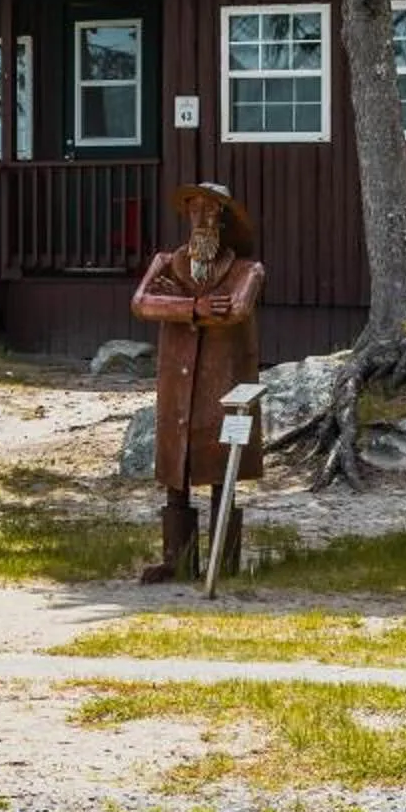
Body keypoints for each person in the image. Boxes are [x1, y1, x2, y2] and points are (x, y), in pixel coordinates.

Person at [128, 182, 265, 583]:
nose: (202, 220)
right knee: (177, 469)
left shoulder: (246, 270)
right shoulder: (167, 263)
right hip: (177, 383)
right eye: (195, 210)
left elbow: (236, 309)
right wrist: (194, 306)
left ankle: (223, 560)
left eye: (211, 212)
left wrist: (171, 307)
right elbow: (140, 303)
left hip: (222, 383)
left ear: (224, 220)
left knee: (223, 464)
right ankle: (177, 560)